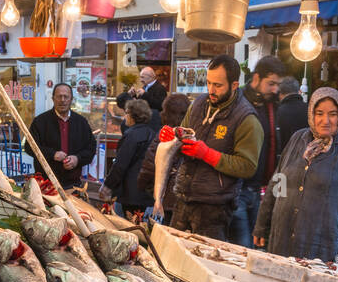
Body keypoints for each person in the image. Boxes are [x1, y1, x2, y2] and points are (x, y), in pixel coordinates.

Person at [253, 87, 338, 264]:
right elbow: (278, 182)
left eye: (332, 114)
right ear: (311, 114)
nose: (325, 121)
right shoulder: (297, 139)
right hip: (282, 239)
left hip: (323, 244)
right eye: (319, 113)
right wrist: (262, 226)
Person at [167, 55, 261, 240]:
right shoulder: (197, 104)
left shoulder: (247, 119)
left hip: (214, 208)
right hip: (183, 198)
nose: (211, 90)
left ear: (234, 85)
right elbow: (181, 138)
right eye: (208, 83)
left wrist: (207, 154)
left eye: (218, 85)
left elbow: (247, 166)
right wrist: (173, 138)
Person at [231, 55, 285, 247]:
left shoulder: (271, 106)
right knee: (243, 249)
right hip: (237, 190)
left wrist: (279, 192)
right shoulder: (237, 102)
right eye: (271, 83)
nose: (275, 89)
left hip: (259, 191)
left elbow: (277, 150)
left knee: (256, 249)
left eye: (277, 84)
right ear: (256, 78)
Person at [29, 82, 96, 190]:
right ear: (53, 98)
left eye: (66, 97)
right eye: (59, 96)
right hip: (46, 185)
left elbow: (91, 148)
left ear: (71, 99)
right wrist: (52, 154)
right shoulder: (40, 121)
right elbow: (29, 147)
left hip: (73, 185)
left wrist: (77, 159)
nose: (62, 100)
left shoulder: (81, 122)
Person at [137, 91, 190, 224]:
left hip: (166, 198)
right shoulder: (189, 135)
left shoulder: (164, 135)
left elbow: (149, 166)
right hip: (184, 198)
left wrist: (141, 185)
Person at [101, 98, 153, 217]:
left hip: (131, 192)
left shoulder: (131, 135)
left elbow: (120, 164)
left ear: (132, 115)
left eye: (126, 113)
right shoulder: (152, 133)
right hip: (146, 191)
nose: (125, 117)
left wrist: (108, 185)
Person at [275, 75, 307, 155]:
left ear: (280, 93)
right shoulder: (309, 109)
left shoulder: (278, 112)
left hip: (285, 160)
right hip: (307, 158)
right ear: (299, 91)